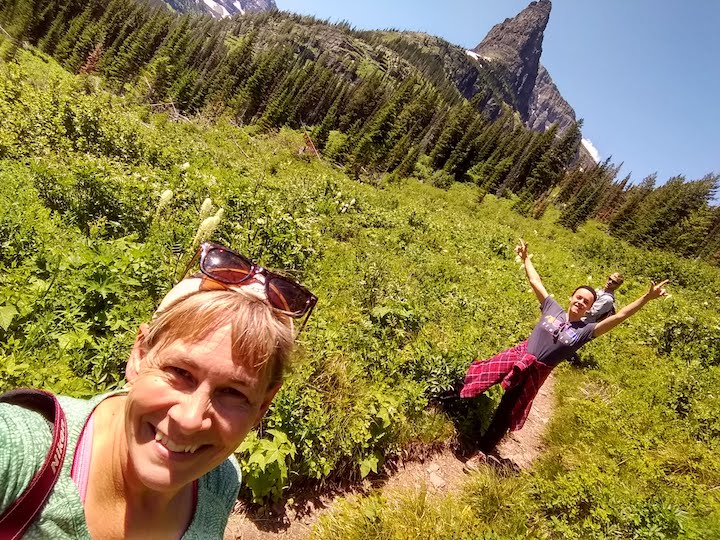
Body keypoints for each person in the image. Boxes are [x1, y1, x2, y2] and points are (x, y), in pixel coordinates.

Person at [0, 241, 316, 539]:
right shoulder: (21, 452)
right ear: (139, 355)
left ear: (262, 406)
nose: (191, 419)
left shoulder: (220, 480)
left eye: (234, 393)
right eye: (180, 372)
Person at [460, 239, 667, 464]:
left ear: (590, 308)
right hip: (519, 355)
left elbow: (619, 316)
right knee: (483, 375)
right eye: (578, 297)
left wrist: (646, 298)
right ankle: (450, 402)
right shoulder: (552, 308)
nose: (581, 302)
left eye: (586, 302)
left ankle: (482, 452)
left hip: (535, 372)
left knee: (507, 410)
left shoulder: (587, 331)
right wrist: (526, 258)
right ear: (571, 297)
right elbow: (535, 281)